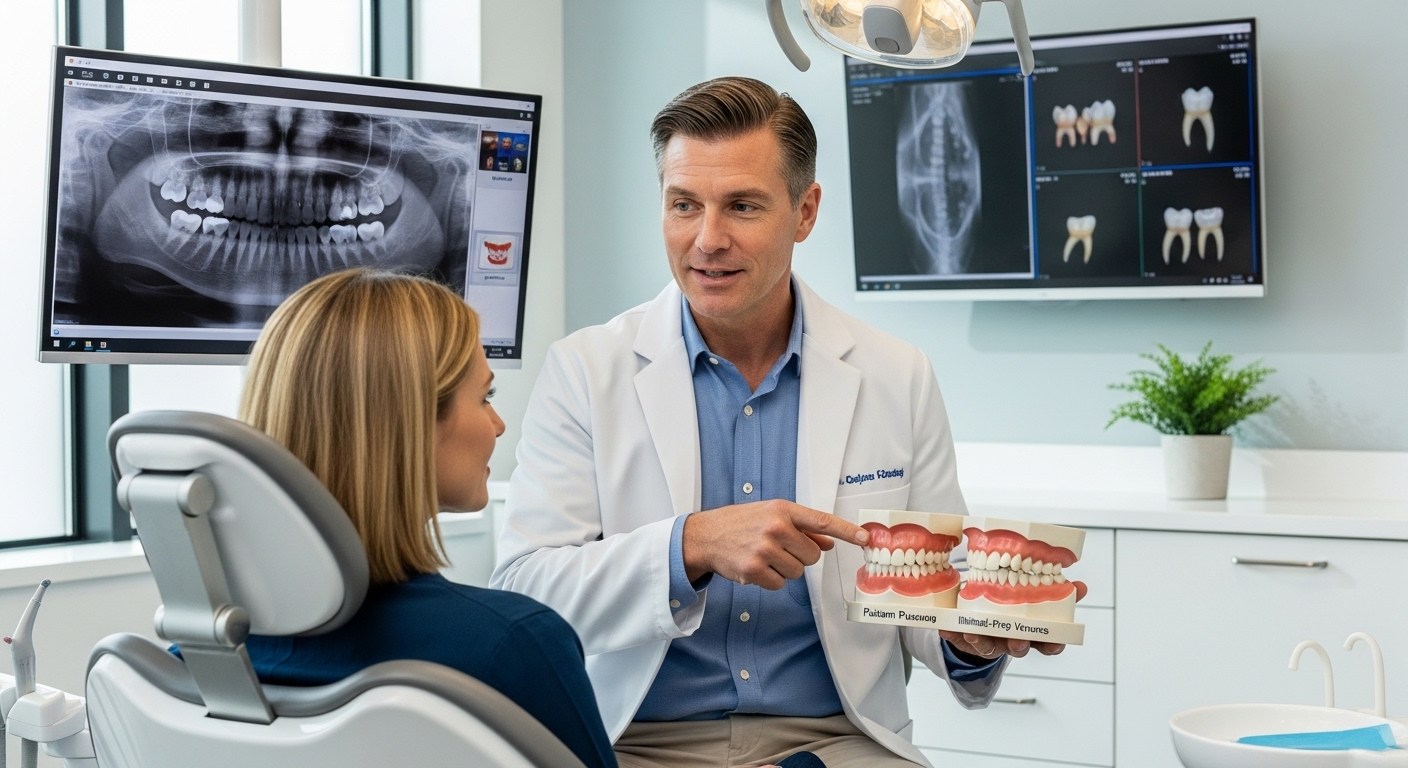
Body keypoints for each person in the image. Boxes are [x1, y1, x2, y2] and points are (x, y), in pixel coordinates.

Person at [491, 77, 1077, 767]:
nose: (707, 239)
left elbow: (930, 595)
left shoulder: (896, 375)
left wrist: (967, 640)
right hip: (639, 744)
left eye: (742, 206)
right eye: (684, 205)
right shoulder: (586, 371)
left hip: (836, 741)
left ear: (805, 212)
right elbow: (525, 591)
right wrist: (690, 546)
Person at [236, 267, 617, 768]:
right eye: (485, 397)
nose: (498, 425)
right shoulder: (511, 646)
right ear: (412, 423)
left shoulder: (209, 656)